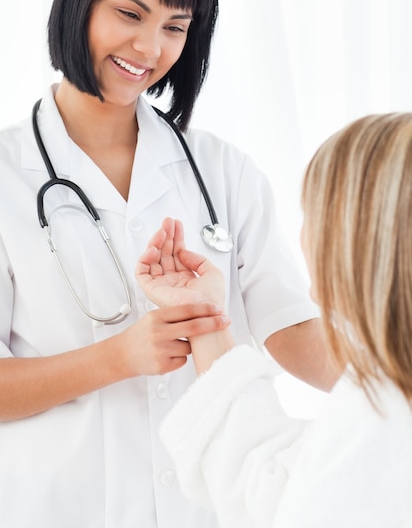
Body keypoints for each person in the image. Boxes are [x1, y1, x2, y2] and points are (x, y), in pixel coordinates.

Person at [0, 0, 333, 528]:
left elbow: (291, 329)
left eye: (175, 26)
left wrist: (391, 370)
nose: (150, 48)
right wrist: (119, 357)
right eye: (129, 13)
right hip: (50, 510)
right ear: (79, 1)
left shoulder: (224, 171)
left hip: (199, 511)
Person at [136, 112, 412, 528]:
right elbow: (289, 482)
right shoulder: (385, 395)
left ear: (356, 242)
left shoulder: (385, 408)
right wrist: (205, 317)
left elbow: (278, 502)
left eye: (312, 215)